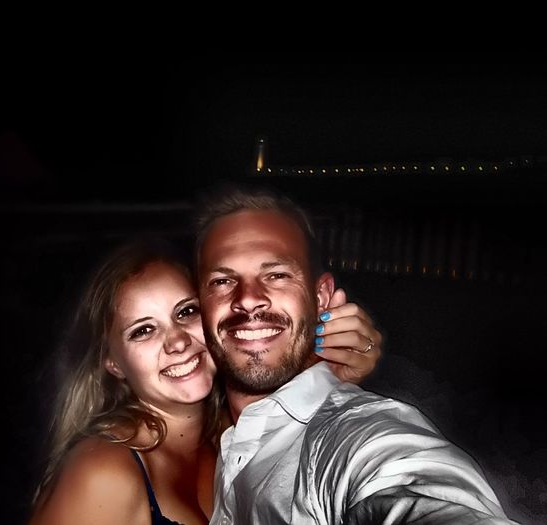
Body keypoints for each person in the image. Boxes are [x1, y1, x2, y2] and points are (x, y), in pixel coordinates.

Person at [195, 183, 520, 524]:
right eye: (222, 281)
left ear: (321, 297)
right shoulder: (205, 425)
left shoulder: (355, 435)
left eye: (277, 275)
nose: (248, 299)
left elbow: (411, 483)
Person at [28, 236, 382, 525]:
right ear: (113, 363)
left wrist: (334, 371)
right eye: (144, 330)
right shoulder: (103, 471)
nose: (178, 342)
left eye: (186, 312)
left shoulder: (234, 433)